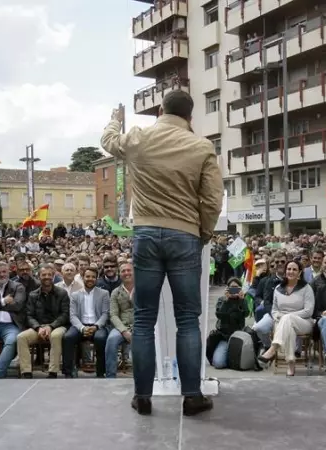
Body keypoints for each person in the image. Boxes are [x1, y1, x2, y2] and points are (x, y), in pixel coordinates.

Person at [101, 90, 223, 416]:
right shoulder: (201, 147)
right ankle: (192, 396)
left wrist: (115, 119)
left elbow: (108, 141)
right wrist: (204, 232)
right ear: (190, 117)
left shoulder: (140, 137)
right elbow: (212, 198)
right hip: (184, 235)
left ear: (160, 109)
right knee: (187, 320)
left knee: (143, 320)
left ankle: (143, 396)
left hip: (145, 234)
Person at [257, 261, 315, 376]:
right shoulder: (278, 288)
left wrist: (289, 316)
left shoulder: (306, 288)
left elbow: (309, 311)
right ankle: (291, 363)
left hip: (304, 322)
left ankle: (273, 349)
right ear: (285, 271)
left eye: (294, 269)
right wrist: (282, 317)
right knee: (288, 327)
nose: (291, 272)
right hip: (282, 322)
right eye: (289, 269)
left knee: (288, 320)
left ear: (299, 272)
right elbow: (274, 310)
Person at [17, 264, 70, 379]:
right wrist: (38, 328)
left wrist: (51, 326)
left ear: (54, 276)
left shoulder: (62, 293)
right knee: (21, 337)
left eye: (49, 274)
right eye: (44, 275)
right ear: (39, 276)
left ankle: (53, 371)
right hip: (39, 327)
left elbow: (65, 314)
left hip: (57, 326)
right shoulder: (33, 295)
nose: (47, 277)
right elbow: (29, 315)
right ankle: (26, 372)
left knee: (55, 336)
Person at [63, 267, 110, 378]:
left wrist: (96, 326)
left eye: (93, 277)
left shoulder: (104, 293)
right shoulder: (75, 295)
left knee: (101, 338)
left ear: (97, 279)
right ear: (83, 277)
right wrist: (82, 328)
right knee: (68, 337)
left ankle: (100, 372)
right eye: (87, 276)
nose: (90, 279)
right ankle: (68, 372)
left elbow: (105, 314)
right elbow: (73, 315)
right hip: (80, 325)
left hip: (97, 325)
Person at [205, 277, 247, 369]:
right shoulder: (222, 300)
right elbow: (219, 314)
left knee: (239, 363)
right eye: (232, 288)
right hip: (224, 337)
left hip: (237, 337)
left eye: (236, 288)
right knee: (218, 363)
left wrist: (242, 300)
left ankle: (229, 356)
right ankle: (224, 354)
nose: (234, 290)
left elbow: (246, 314)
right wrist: (226, 301)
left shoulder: (243, 300)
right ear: (227, 289)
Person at [106, 262, 135, 378]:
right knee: (111, 340)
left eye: (129, 270)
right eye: (123, 271)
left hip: (140, 326)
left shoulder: (142, 289)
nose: (126, 273)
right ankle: (110, 376)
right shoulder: (115, 292)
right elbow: (113, 315)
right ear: (119, 274)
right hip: (121, 326)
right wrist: (124, 331)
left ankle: (144, 375)